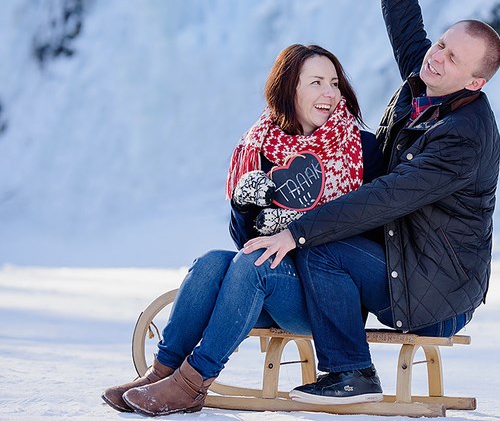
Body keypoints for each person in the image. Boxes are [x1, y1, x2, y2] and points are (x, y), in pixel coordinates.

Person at [244, 0, 500, 405]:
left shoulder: (463, 135)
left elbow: (387, 196)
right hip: (406, 258)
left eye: (451, 57)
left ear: (474, 81)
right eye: (443, 44)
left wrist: (298, 232)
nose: (436, 56)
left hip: (435, 290)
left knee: (320, 245)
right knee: (348, 149)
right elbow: (407, 26)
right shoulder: (430, 80)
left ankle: (351, 374)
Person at [101, 44, 384, 416]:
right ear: (290, 88)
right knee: (212, 263)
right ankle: (161, 373)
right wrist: (243, 204)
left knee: (253, 264)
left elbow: (371, 233)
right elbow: (246, 240)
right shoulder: (260, 145)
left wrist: (299, 229)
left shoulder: (361, 147)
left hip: (328, 300)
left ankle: (192, 382)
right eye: (316, 83)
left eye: (334, 83)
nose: (330, 94)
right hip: (269, 287)